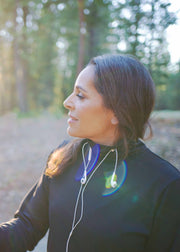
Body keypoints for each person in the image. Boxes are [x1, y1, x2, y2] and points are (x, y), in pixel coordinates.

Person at [0, 54, 180, 252]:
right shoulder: (63, 158)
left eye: (80, 95)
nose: (67, 102)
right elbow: (27, 226)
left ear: (117, 111)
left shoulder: (165, 185)